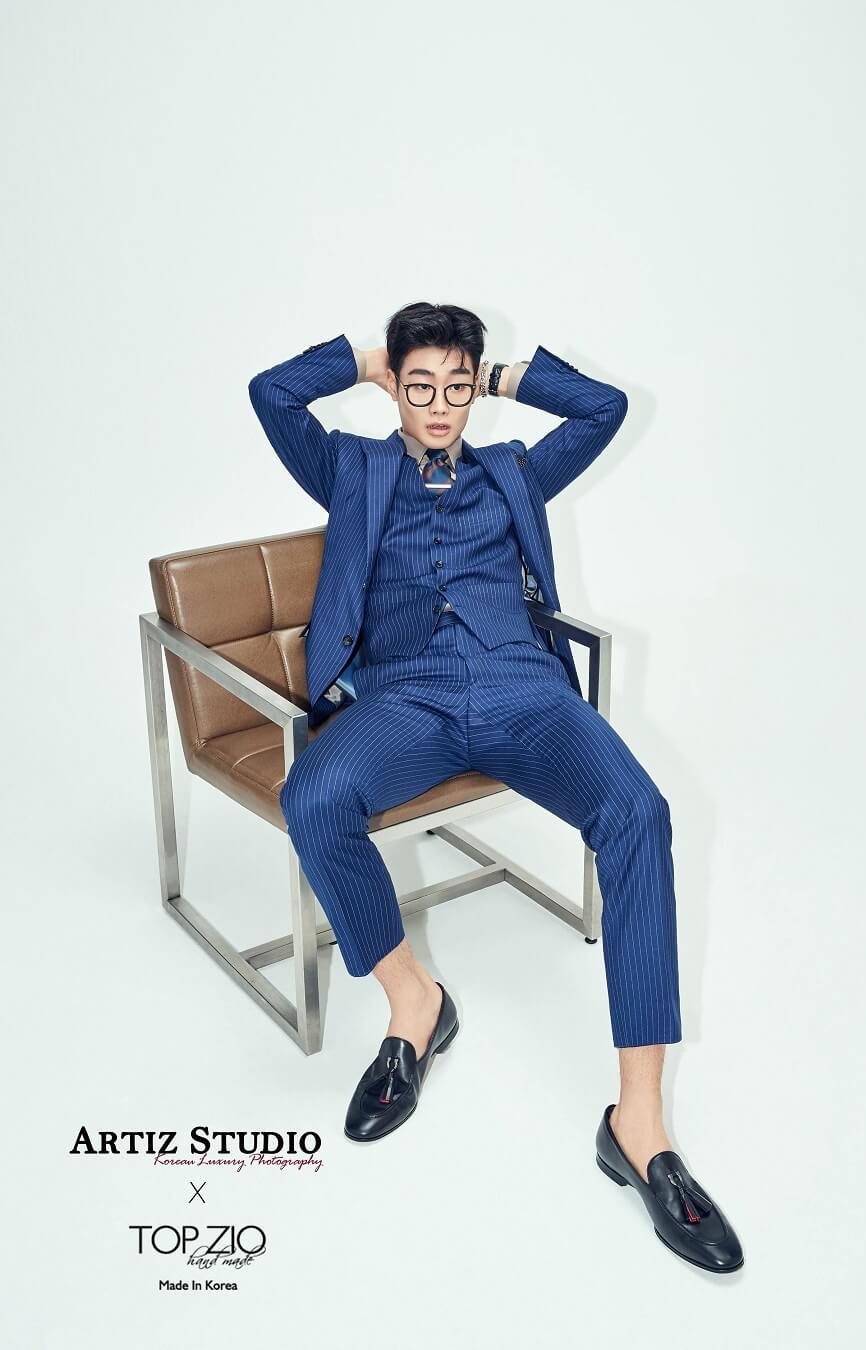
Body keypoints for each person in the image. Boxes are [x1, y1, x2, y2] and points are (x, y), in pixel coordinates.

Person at [248, 301, 743, 1273]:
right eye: (419, 386)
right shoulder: (349, 468)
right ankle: (415, 1004)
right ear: (396, 388)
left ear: (475, 389)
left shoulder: (514, 470)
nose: (438, 405)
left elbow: (602, 409)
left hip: (523, 692)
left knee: (639, 812)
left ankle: (639, 1125)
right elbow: (270, 394)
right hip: (406, 699)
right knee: (313, 798)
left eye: (456, 386)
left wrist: (507, 375)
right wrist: (366, 359)